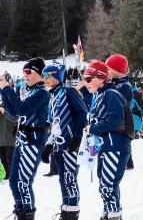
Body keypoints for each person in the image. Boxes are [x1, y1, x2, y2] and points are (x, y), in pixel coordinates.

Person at [0, 57, 50, 220]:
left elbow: (22, 109)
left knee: (23, 183)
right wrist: (3, 90)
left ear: (39, 74)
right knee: (14, 182)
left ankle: (28, 214)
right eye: (24, 72)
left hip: (33, 142)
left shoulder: (42, 92)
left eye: (28, 72)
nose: (25, 75)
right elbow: (13, 111)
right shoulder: (30, 90)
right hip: (22, 141)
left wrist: (7, 89)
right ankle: (21, 211)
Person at [83, 61, 131, 220]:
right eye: (84, 79)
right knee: (106, 184)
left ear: (101, 78)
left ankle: (113, 214)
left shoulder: (111, 94)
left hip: (115, 145)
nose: (86, 83)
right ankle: (110, 212)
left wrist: (93, 128)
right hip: (107, 145)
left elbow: (116, 119)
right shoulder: (101, 95)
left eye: (89, 79)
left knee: (108, 185)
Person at [40, 63, 88, 220]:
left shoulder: (68, 91)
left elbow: (83, 113)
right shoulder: (53, 95)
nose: (44, 79)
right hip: (58, 144)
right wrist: (48, 145)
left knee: (70, 178)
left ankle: (73, 213)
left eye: (47, 76)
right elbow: (52, 123)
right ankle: (66, 211)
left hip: (70, 143)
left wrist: (78, 136)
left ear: (56, 76)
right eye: (43, 76)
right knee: (63, 179)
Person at [105, 54, 135, 170]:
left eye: (109, 69)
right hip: (119, 123)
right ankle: (127, 162)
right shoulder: (117, 83)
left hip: (123, 123)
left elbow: (118, 105)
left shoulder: (125, 86)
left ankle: (127, 162)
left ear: (117, 69)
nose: (107, 72)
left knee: (123, 142)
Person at [0, 100, 16, 180]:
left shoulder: (14, 107)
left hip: (10, 139)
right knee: (3, 159)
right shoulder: (1, 107)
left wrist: (4, 112)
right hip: (1, 139)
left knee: (11, 158)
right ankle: (6, 175)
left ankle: (13, 175)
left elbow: (14, 119)